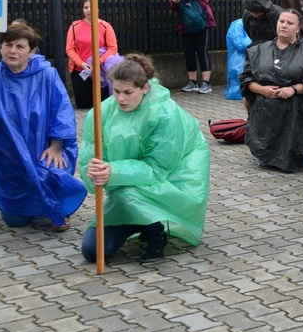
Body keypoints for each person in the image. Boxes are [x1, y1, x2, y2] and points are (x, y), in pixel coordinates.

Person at [79, 53, 210, 264]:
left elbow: (157, 170)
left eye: (128, 92)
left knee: (126, 192)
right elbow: (88, 159)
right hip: (126, 184)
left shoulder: (165, 114)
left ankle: (156, 228)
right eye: (116, 91)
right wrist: (93, 174)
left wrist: (114, 172)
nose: (120, 99)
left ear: (145, 88)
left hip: (169, 180)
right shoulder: (100, 113)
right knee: (92, 251)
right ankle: (139, 220)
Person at [0, 24, 86, 232]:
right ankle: (30, 203)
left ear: (32, 51)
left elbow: (62, 110)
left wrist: (56, 145)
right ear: (0, 47)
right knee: (15, 221)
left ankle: (56, 206)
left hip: (43, 149)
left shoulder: (47, 74)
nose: (12, 51)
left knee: (52, 175)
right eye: (8, 45)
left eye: (20, 46)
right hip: (9, 155)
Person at [240, 10, 303, 172]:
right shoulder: (259, 50)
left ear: (298, 28)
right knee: (263, 161)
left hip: (296, 116)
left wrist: (294, 89)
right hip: (265, 114)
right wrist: (262, 90)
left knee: (298, 159)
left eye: (290, 23)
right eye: (282, 21)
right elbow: (246, 80)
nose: (284, 26)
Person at [169, 0, 215, 94]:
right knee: (188, 52)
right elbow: (173, 7)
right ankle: (192, 82)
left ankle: (206, 83)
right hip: (186, 24)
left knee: (202, 51)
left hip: (203, 22)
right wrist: (174, 2)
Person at [65, 0, 119, 109]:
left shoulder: (106, 26)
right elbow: (70, 49)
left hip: (101, 71)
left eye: (92, 7)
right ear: (82, 10)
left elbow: (112, 48)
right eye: (86, 7)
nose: (89, 10)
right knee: (83, 104)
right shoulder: (75, 26)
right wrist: (81, 64)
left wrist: (98, 61)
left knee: (103, 103)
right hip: (81, 70)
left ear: (98, 9)